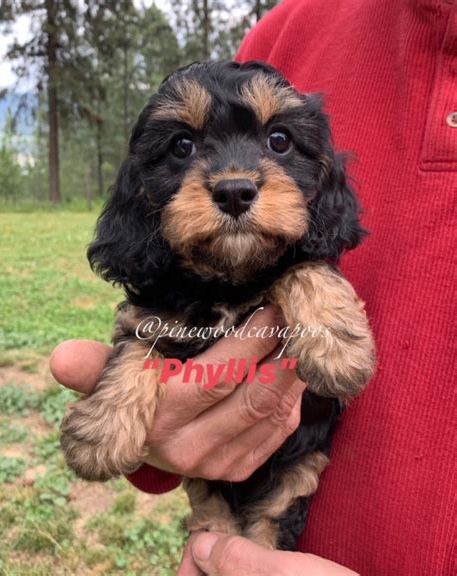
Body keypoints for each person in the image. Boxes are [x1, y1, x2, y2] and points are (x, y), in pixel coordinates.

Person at [50, 0, 456, 574]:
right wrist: (146, 415)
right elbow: (151, 344)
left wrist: (310, 285)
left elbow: (325, 298)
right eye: (184, 148)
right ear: (142, 193)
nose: (235, 179)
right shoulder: (289, 27)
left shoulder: (304, 273)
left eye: (279, 143)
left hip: (302, 493)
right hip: (219, 518)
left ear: (319, 173)